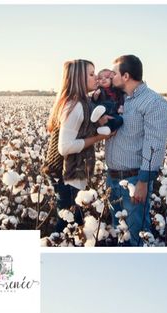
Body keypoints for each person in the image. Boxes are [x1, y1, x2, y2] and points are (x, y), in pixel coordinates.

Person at [104, 55, 167, 246]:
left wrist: (143, 182)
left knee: (136, 235)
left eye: (114, 73)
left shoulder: (154, 103)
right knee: (119, 233)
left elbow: (154, 145)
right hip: (113, 178)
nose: (111, 77)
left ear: (125, 76)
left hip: (134, 181)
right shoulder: (121, 99)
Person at [46, 59, 111, 234]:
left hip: (71, 172)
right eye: (91, 74)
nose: (96, 77)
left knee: (72, 222)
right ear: (78, 79)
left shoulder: (81, 102)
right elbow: (65, 147)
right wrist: (98, 137)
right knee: (68, 225)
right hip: (67, 173)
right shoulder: (74, 106)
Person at [90, 68, 125, 134]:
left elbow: (121, 98)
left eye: (106, 77)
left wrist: (121, 106)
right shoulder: (99, 90)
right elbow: (94, 101)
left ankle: (108, 129)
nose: (103, 79)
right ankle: (96, 114)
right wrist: (95, 96)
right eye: (100, 78)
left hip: (113, 113)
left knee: (120, 120)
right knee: (107, 104)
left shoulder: (116, 90)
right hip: (102, 111)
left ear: (112, 80)